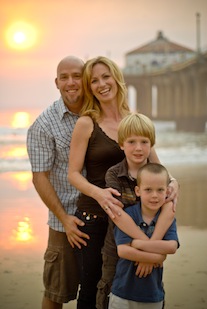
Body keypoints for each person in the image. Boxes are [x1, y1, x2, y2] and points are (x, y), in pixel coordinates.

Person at [68, 56, 179, 309]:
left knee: (133, 286)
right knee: (93, 288)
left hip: (134, 214)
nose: (101, 84)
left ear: (117, 78)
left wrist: (174, 183)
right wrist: (100, 194)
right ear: (89, 87)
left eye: (106, 76)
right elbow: (73, 174)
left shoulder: (134, 120)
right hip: (95, 218)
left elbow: (157, 168)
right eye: (94, 80)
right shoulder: (86, 123)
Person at [26, 56, 90, 309]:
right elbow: (39, 176)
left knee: (103, 289)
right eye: (64, 77)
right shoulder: (43, 125)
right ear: (56, 82)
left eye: (77, 76)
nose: (71, 82)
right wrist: (64, 219)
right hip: (66, 222)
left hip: (106, 217)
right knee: (56, 291)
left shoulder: (100, 113)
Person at [96, 113, 178, 309]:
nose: (139, 148)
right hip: (117, 249)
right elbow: (117, 215)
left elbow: (169, 208)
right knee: (111, 294)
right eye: (132, 142)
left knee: (149, 292)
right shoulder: (114, 174)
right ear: (121, 144)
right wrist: (147, 245)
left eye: (144, 142)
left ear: (151, 145)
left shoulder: (158, 173)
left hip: (151, 245)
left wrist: (146, 247)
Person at [109, 162, 180, 309]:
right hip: (122, 293)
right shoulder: (129, 216)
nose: (154, 195)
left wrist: (139, 244)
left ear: (167, 191)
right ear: (138, 191)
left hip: (152, 294)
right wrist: (156, 256)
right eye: (148, 190)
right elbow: (123, 250)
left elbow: (172, 247)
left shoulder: (166, 219)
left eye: (160, 190)